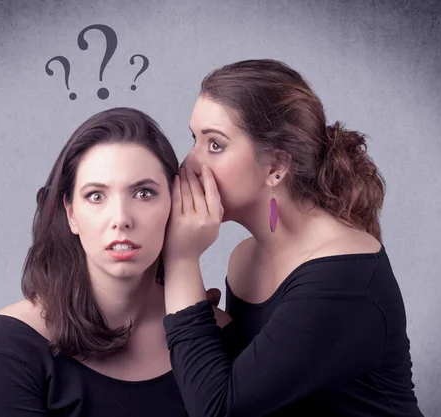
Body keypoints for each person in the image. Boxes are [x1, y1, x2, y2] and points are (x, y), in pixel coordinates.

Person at [162, 59, 424, 416]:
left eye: (215, 145)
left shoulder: (343, 276)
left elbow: (218, 409)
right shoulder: (245, 260)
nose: (189, 164)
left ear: (276, 167)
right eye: (195, 140)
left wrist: (181, 260)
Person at [0, 107, 230, 416]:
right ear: (70, 214)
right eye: (96, 196)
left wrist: (184, 261)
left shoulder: (218, 334)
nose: (121, 219)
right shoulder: (13, 343)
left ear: (175, 204)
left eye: (144, 193)